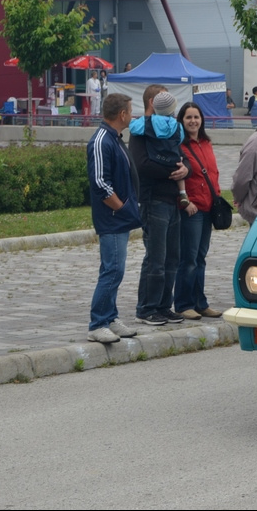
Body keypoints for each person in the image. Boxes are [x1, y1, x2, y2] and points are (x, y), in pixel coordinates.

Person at [128, 85, 189, 326]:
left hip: (172, 200)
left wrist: (185, 169)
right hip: (153, 200)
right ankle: (147, 308)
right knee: (156, 258)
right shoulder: (140, 131)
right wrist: (173, 171)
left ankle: (164, 305)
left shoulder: (173, 128)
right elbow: (141, 165)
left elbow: (183, 158)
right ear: (152, 101)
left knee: (172, 258)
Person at [86, 93, 142, 343]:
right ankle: (98, 322)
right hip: (112, 218)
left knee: (116, 270)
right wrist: (121, 208)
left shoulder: (115, 138)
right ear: (122, 114)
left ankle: (110, 316)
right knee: (112, 270)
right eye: (130, 111)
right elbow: (100, 183)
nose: (132, 115)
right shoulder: (101, 140)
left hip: (120, 217)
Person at [174, 101, 222, 320]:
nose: (193, 121)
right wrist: (186, 201)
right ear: (181, 121)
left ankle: (200, 302)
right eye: (188, 117)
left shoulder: (206, 143)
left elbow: (213, 174)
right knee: (189, 259)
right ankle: (184, 304)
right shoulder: (179, 146)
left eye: (196, 117)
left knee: (201, 258)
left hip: (208, 207)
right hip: (192, 210)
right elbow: (177, 177)